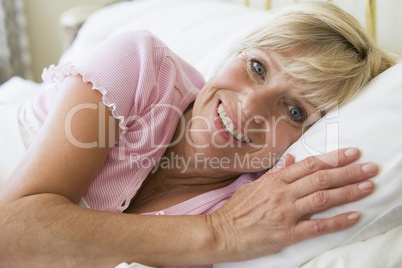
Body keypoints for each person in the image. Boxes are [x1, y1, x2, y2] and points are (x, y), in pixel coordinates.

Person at [0, 1, 397, 267]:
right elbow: (12, 231)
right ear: (234, 54)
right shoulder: (142, 67)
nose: (250, 107)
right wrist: (213, 234)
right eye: (257, 67)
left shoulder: (251, 206)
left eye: (294, 111)